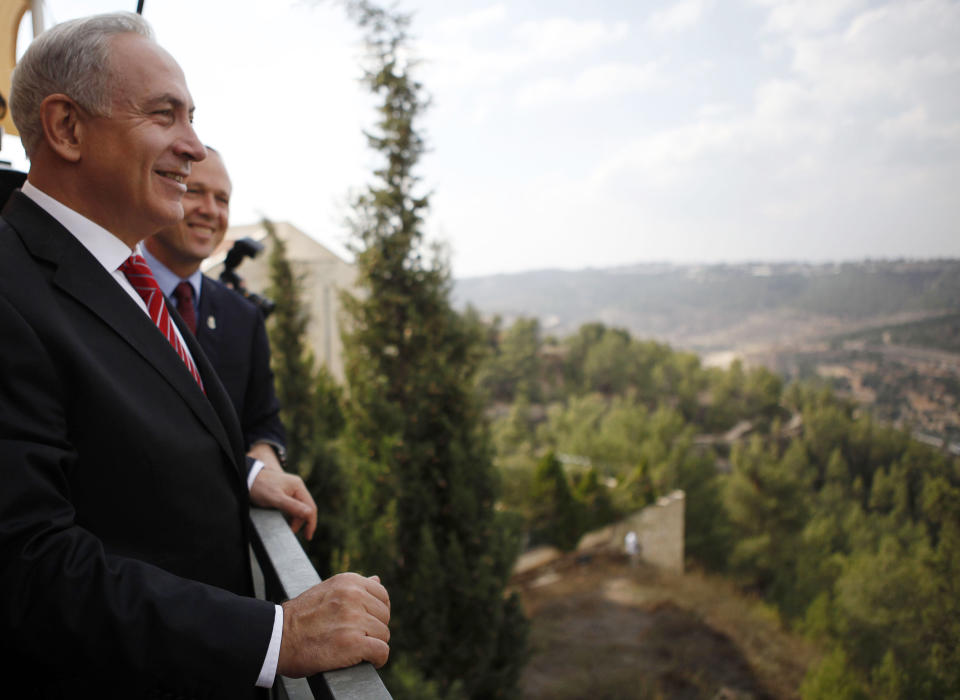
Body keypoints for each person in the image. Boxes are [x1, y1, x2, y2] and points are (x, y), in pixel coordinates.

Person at [0, 12, 389, 698]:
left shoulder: (120, 278)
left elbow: (118, 447)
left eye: (193, 117)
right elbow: (28, 564)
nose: (193, 144)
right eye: (164, 115)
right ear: (66, 129)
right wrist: (277, 635)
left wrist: (241, 475)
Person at [142, 148, 290, 486]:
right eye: (194, 191)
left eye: (222, 199)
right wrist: (249, 474)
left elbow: (264, 420)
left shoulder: (244, 316)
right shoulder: (112, 289)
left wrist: (265, 459)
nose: (210, 211)